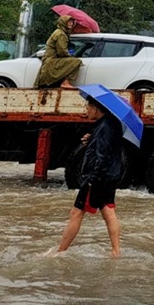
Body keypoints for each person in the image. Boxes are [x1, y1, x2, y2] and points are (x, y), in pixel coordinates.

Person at [55, 96, 123, 257]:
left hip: (98, 177)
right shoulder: (109, 124)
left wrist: (92, 179)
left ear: (96, 109)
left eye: (88, 107)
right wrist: (92, 139)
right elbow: (107, 148)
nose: (86, 110)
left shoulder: (104, 127)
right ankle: (115, 251)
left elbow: (102, 155)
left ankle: (60, 251)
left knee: (76, 212)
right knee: (108, 211)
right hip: (109, 175)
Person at [35, 15, 82, 89]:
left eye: (72, 22)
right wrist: (70, 56)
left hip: (50, 60)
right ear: (63, 22)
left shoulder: (60, 32)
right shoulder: (61, 34)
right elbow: (62, 52)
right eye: (68, 22)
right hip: (52, 60)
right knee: (76, 61)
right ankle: (65, 82)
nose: (71, 24)